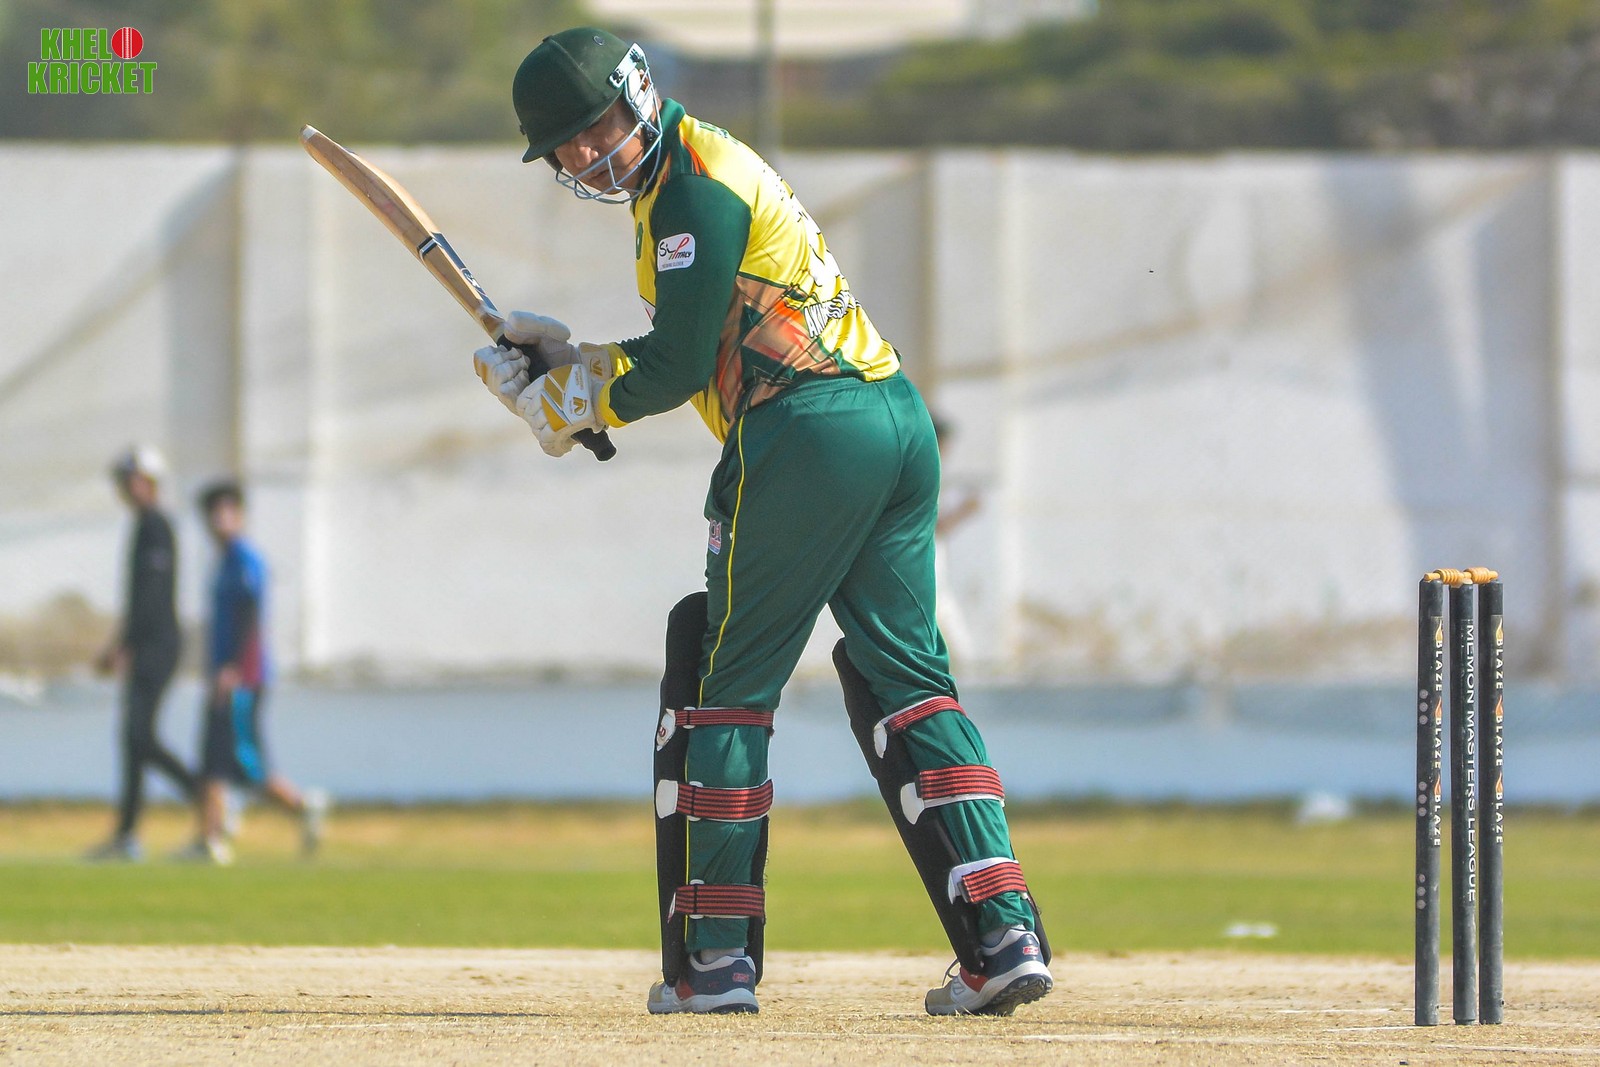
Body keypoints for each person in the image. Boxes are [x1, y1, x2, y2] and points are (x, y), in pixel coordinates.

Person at [472, 28, 1052, 1016]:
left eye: (595, 127)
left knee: (726, 691)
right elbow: (697, 340)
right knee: (910, 682)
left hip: (802, 433)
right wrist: (572, 364)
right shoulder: (695, 170)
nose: (584, 153)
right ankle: (1003, 936)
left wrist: (574, 399)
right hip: (891, 420)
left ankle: (715, 961)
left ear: (637, 93)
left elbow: (678, 365)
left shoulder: (691, 191)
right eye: (565, 145)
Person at [174, 480, 326, 865]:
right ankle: (209, 838)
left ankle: (301, 805)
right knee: (212, 758)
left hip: (243, 679)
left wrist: (233, 669)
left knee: (247, 765)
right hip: (223, 677)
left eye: (227, 512)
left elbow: (250, 618)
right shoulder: (223, 561)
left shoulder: (245, 561)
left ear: (240, 516)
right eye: (213, 513)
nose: (220, 520)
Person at [86, 446, 196, 862]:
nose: (126, 489)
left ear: (149, 483)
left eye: (132, 480)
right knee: (132, 739)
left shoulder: (156, 526)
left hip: (158, 646)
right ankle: (127, 835)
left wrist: (124, 646)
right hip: (145, 645)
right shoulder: (143, 526)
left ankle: (204, 795)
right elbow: (137, 602)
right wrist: (119, 642)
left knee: (139, 737)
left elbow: (151, 599)